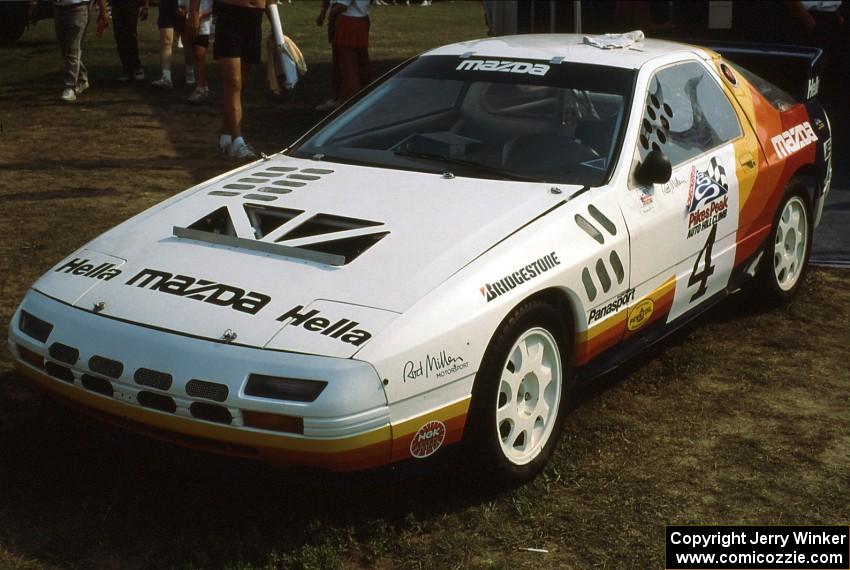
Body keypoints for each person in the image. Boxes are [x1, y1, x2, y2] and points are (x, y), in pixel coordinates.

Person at [188, 0, 276, 158]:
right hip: (230, 14)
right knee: (233, 82)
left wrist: (277, 28)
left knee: (241, 83)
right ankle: (237, 140)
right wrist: (193, 13)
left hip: (255, 17)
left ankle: (226, 136)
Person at [54, 0, 109, 102]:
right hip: (59, 9)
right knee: (65, 50)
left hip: (78, 9)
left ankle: (70, 87)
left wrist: (103, 11)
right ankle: (82, 78)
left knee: (72, 49)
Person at [331, 0, 370, 103]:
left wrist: (332, 12)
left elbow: (342, 6)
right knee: (361, 64)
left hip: (349, 21)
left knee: (349, 67)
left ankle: (353, 102)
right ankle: (363, 98)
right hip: (361, 18)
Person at [153, 0, 194, 89]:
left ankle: (190, 72)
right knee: (166, 41)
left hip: (184, 4)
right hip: (167, 6)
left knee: (187, 41)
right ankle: (166, 77)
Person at [112, 0, 149, 82]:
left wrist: (145, 6)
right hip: (117, 5)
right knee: (119, 36)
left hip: (131, 4)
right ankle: (126, 68)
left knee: (130, 34)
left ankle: (136, 67)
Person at [315, 0, 341, 111]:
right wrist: (323, 13)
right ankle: (337, 97)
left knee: (344, 62)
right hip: (342, 16)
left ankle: (340, 98)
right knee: (339, 61)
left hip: (343, 16)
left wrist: (326, 13)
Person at [187, 0, 213, 103]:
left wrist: (202, 14)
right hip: (198, 20)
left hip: (211, 20)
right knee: (197, 53)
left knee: (199, 53)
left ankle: (201, 87)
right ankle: (201, 87)